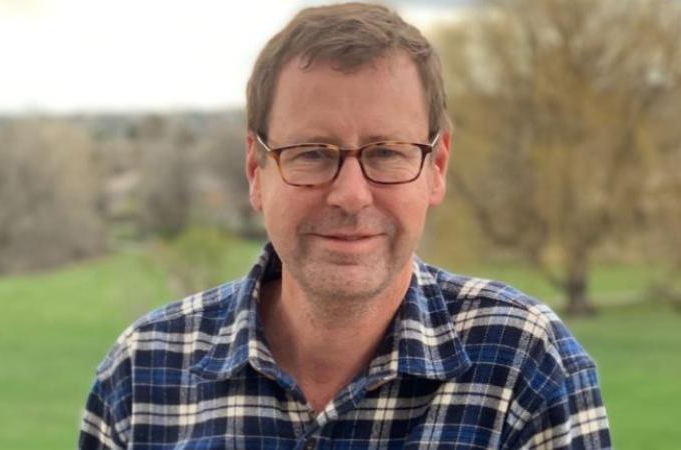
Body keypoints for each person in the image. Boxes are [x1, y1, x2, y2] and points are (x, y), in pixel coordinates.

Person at [78, 3, 611, 449]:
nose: (351, 195)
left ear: (437, 168)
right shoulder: (141, 376)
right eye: (311, 153)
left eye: (386, 152)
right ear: (255, 172)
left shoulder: (527, 368)